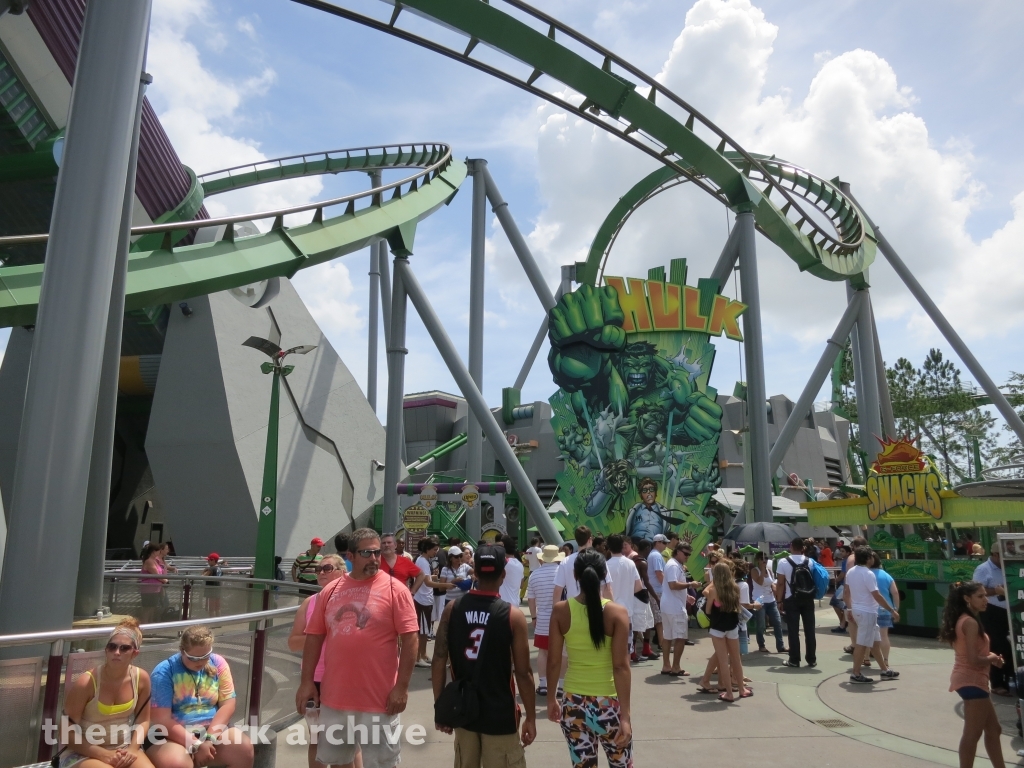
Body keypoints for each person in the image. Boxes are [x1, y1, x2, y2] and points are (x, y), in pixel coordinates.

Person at [296, 528, 419, 768]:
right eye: (366, 553)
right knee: (338, 762)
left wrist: (402, 687)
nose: (374, 558)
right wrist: (306, 682)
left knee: (380, 764)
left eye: (377, 552)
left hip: (379, 701)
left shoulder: (396, 590)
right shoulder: (330, 592)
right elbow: (314, 637)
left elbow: (411, 639)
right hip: (335, 699)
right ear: (350, 556)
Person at [431, 545, 537, 767]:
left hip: (463, 709)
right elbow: (524, 673)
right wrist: (531, 717)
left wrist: (440, 706)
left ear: (475, 573)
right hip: (500, 712)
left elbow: (439, 658)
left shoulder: (453, 608)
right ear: (503, 574)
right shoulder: (512, 616)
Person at [547, 549, 632, 768]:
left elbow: (554, 662)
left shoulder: (561, 611)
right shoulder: (617, 613)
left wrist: (551, 699)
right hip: (608, 704)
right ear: (605, 575)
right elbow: (621, 666)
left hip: (574, 703)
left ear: (575, 576)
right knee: (621, 764)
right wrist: (625, 716)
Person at [148, 626, 253, 768]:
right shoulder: (164, 671)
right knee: (177, 763)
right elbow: (161, 719)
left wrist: (209, 739)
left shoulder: (218, 663)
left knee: (243, 748)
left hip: (211, 731)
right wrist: (196, 744)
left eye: (205, 657)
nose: (200, 662)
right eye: (193, 658)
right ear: (182, 650)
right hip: (172, 737)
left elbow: (228, 704)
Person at [286, 555, 352, 768]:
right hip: (314, 679)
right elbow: (294, 642)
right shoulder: (310, 602)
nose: (321, 572)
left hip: (344, 680)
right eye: (318, 569)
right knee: (317, 738)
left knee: (346, 741)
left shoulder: (352, 601)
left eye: (326, 568)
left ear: (342, 572)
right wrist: (318, 635)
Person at [60, 618, 152, 768]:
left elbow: (143, 721)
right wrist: (104, 755)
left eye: (124, 648)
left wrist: (133, 749)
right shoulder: (87, 682)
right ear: (106, 650)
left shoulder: (141, 678)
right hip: (83, 752)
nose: (117, 652)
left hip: (122, 749)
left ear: (134, 653)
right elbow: (65, 733)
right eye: (112, 646)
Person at [939, 581, 1007, 768]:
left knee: (993, 729)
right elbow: (973, 659)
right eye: (980, 596)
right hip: (971, 680)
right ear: (967, 599)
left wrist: (990, 658)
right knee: (972, 734)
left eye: (986, 595)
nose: (986, 599)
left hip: (972, 680)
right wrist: (992, 658)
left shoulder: (966, 619)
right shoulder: (969, 622)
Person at [845, 546, 900, 684]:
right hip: (867, 612)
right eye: (871, 556)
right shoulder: (868, 574)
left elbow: (846, 593)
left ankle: (884, 670)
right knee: (862, 644)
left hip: (859, 611)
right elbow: (877, 595)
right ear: (868, 558)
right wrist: (892, 610)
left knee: (875, 642)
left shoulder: (850, 572)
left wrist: (850, 609)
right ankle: (856, 673)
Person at [698, 562, 751, 702]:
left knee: (723, 661)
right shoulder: (735, 588)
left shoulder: (714, 590)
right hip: (732, 626)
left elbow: (708, 610)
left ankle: (728, 693)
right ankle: (742, 689)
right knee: (736, 659)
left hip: (717, 628)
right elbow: (737, 607)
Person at [973, 544, 1011, 695]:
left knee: (1010, 646)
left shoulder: (1009, 567)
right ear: (995, 554)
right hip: (992, 611)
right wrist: (995, 590)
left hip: (1009, 611)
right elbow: (976, 591)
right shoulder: (983, 569)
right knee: (996, 646)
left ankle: (1010, 680)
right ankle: (996, 683)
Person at [527, 545, 565, 696]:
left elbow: (531, 600)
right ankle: (561, 686)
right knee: (563, 652)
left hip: (542, 618)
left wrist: (534, 617)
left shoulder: (534, 575)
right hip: (561, 618)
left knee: (543, 652)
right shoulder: (562, 573)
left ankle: (543, 684)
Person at [412, 538, 453, 668]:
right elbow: (427, 583)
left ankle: (423, 654)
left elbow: (427, 578)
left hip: (426, 598)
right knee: (422, 631)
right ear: (427, 549)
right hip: (422, 599)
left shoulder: (423, 561)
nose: (436, 552)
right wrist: (446, 584)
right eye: (434, 550)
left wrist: (435, 577)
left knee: (425, 629)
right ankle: (418, 657)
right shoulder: (422, 561)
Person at [776, 538, 816, 669]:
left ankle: (794, 659)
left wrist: (779, 600)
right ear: (803, 548)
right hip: (808, 598)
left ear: (791, 546)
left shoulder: (783, 561)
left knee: (793, 630)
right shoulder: (809, 561)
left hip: (791, 598)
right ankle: (811, 659)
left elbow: (780, 583)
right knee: (809, 629)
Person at [660, 541, 698, 676]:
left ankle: (667, 665)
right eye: (685, 554)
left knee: (668, 636)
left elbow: (672, 586)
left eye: (689, 554)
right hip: (674, 607)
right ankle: (675, 667)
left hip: (669, 605)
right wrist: (690, 585)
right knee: (680, 637)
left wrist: (686, 596)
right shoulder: (673, 565)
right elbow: (673, 585)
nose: (687, 556)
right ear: (678, 552)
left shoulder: (674, 565)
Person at [603, 535, 643, 663]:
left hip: (608, 611)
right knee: (626, 650)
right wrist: (626, 592)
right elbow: (639, 586)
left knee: (609, 649)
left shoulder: (605, 565)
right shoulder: (630, 563)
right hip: (627, 612)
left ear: (608, 547)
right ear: (622, 546)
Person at [551, 526, 612, 609]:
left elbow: (558, 590)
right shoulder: (599, 559)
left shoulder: (565, 561)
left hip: (572, 609)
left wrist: (556, 612)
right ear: (590, 539)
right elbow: (607, 588)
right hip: (596, 608)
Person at [750, 551, 785, 654]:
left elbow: (772, 584)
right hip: (759, 600)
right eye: (761, 558)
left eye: (765, 558)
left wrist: (778, 598)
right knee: (761, 624)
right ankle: (761, 645)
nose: (764, 560)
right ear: (757, 560)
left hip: (771, 600)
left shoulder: (769, 571)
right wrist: (761, 569)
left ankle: (780, 646)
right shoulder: (754, 571)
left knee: (777, 622)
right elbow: (760, 582)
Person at [869, 551, 899, 667]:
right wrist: (895, 608)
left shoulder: (866, 574)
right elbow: (895, 593)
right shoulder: (886, 575)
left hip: (869, 609)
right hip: (885, 609)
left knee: (868, 635)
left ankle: (866, 658)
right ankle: (885, 659)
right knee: (884, 635)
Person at [646, 535, 668, 655]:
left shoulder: (654, 555)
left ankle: (661, 643)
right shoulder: (656, 555)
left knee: (659, 618)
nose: (665, 545)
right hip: (657, 590)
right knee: (660, 619)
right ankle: (662, 644)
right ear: (658, 543)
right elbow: (659, 574)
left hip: (656, 589)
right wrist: (668, 587)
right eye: (664, 543)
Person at [139, 543, 170, 623]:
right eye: (158, 551)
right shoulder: (149, 561)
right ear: (153, 552)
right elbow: (156, 575)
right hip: (149, 589)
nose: (159, 553)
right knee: (147, 610)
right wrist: (166, 581)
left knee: (152, 609)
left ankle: (150, 626)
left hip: (155, 589)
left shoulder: (154, 561)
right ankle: (145, 627)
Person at [830, 544, 851, 633]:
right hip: (846, 585)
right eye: (840, 551)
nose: (841, 553)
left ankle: (843, 623)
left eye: (843, 551)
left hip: (844, 585)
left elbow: (843, 574)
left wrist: (836, 580)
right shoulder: (847, 561)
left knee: (835, 602)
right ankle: (843, 623)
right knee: (844, 606)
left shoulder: (846, 561)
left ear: (848, 552)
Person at [499, 535, 525, 606]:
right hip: (515, 603)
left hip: (503, 604)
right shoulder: (520, 564)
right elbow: (521, 585)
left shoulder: (504, 562)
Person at [202, 553, 224, 617]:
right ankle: (218, 623)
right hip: (218, 589)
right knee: (217, 607)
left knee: (211, 608)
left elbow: (203, 576)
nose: (208, 562)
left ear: (213, 560)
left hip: (211, 590)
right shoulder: (219, 569)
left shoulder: (211, 569)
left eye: (209, 560)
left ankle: (212, 623)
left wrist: (204, 571)